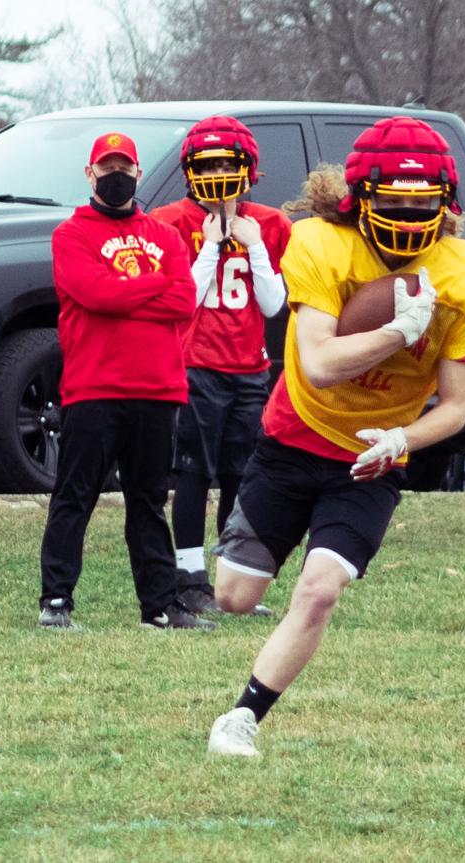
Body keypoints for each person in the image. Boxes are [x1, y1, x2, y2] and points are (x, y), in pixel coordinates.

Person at [205, 117, 465, 757]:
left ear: (446, 203)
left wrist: (401, 440)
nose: (407, 214)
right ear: (358, 197)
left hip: (370, 458)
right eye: (393, 200)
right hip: (295, 434)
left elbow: (454, 409)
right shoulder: (319, 244)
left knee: (318, 591)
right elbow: (317, 363)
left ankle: (243, 718)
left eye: (422, 202)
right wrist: (398, 332)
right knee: (233, 596)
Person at [37, 132, 213, 632]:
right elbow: (93, 293)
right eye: (107, 167)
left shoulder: (165, 235)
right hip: (94, 386)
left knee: (149, 503)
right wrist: (150, 288)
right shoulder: (71, 234)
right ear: (90, 175)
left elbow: (184, 299)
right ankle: (56, 600)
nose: (117, 176)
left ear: (138, 173)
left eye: (126, 167)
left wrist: (126, 292)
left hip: (158, 388)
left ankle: (160, 605)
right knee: (75, 496)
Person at [150, 116, 291, 616]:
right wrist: (212, 243)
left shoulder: (271, 225)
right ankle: (189, 579)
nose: (216, 173)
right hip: (194, 364)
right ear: (189, 170)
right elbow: (183, 299)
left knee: (241, 473)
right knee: (192, 471)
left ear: (247, 168)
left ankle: (233, 579)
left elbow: (274, 306)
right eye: (206, 164)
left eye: (226, 164)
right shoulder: (170, 221)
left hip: (249, 369)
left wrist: (253, 246)